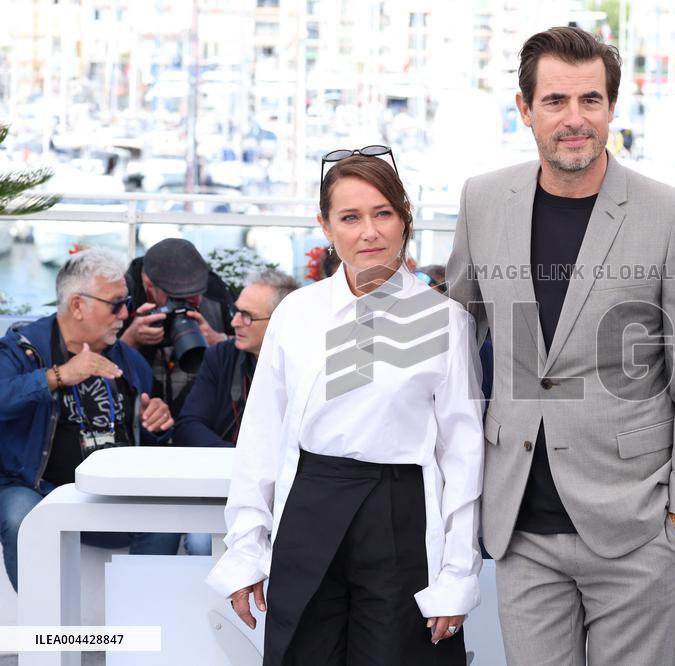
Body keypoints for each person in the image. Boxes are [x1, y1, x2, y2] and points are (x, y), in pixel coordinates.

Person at [446, 26, 675, 666]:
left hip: (636, 529)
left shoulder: (670, 214)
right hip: (518, 527)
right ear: (525, 110)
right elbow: (455, 339)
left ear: (611, 106)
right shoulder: (483, 200)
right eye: (555, 101)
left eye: (590, 100)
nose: (575, 120)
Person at [206, 152, 484, 665]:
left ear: (405, 217)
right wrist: (246, 548)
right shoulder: (296, 313)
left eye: (383, 213)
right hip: (310, 508)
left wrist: (458, 574)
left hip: (401, 517)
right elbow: (262, 437)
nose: (369, 232)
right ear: (325, 226)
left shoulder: (445, 322)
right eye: (349, 218)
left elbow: (463, 456)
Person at [0, 248, 181, 591]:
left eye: (127, 301)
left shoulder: (129, 362)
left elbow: (148, 441)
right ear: (78, 305)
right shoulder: (23, 349)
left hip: (111, 495)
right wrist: (58, 375)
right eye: (116, 304)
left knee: (164, 520)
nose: (125, 314)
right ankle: (46, 636)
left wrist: (157, 425)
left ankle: (133, 631)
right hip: (35, 489)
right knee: (19, 516)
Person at [174, 269, 298, 557]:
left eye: (247, 315)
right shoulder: (222, 355)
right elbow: (188, 425)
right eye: (235, 311)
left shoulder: (306, 366)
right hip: (225, 487)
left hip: (285, 496)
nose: (233, 322)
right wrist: (241, 459)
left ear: (282, 322)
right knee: (202, 542)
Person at [120, 238, 236, 415]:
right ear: (149, 285)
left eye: (196, 294)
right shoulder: (122, 297)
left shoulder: (215, 292)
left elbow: (254, 350)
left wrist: (220, 341)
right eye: (177, 297)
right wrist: (129, 341)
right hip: (140, 411)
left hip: (198, 410)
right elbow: (95, 365)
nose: (190, 302)